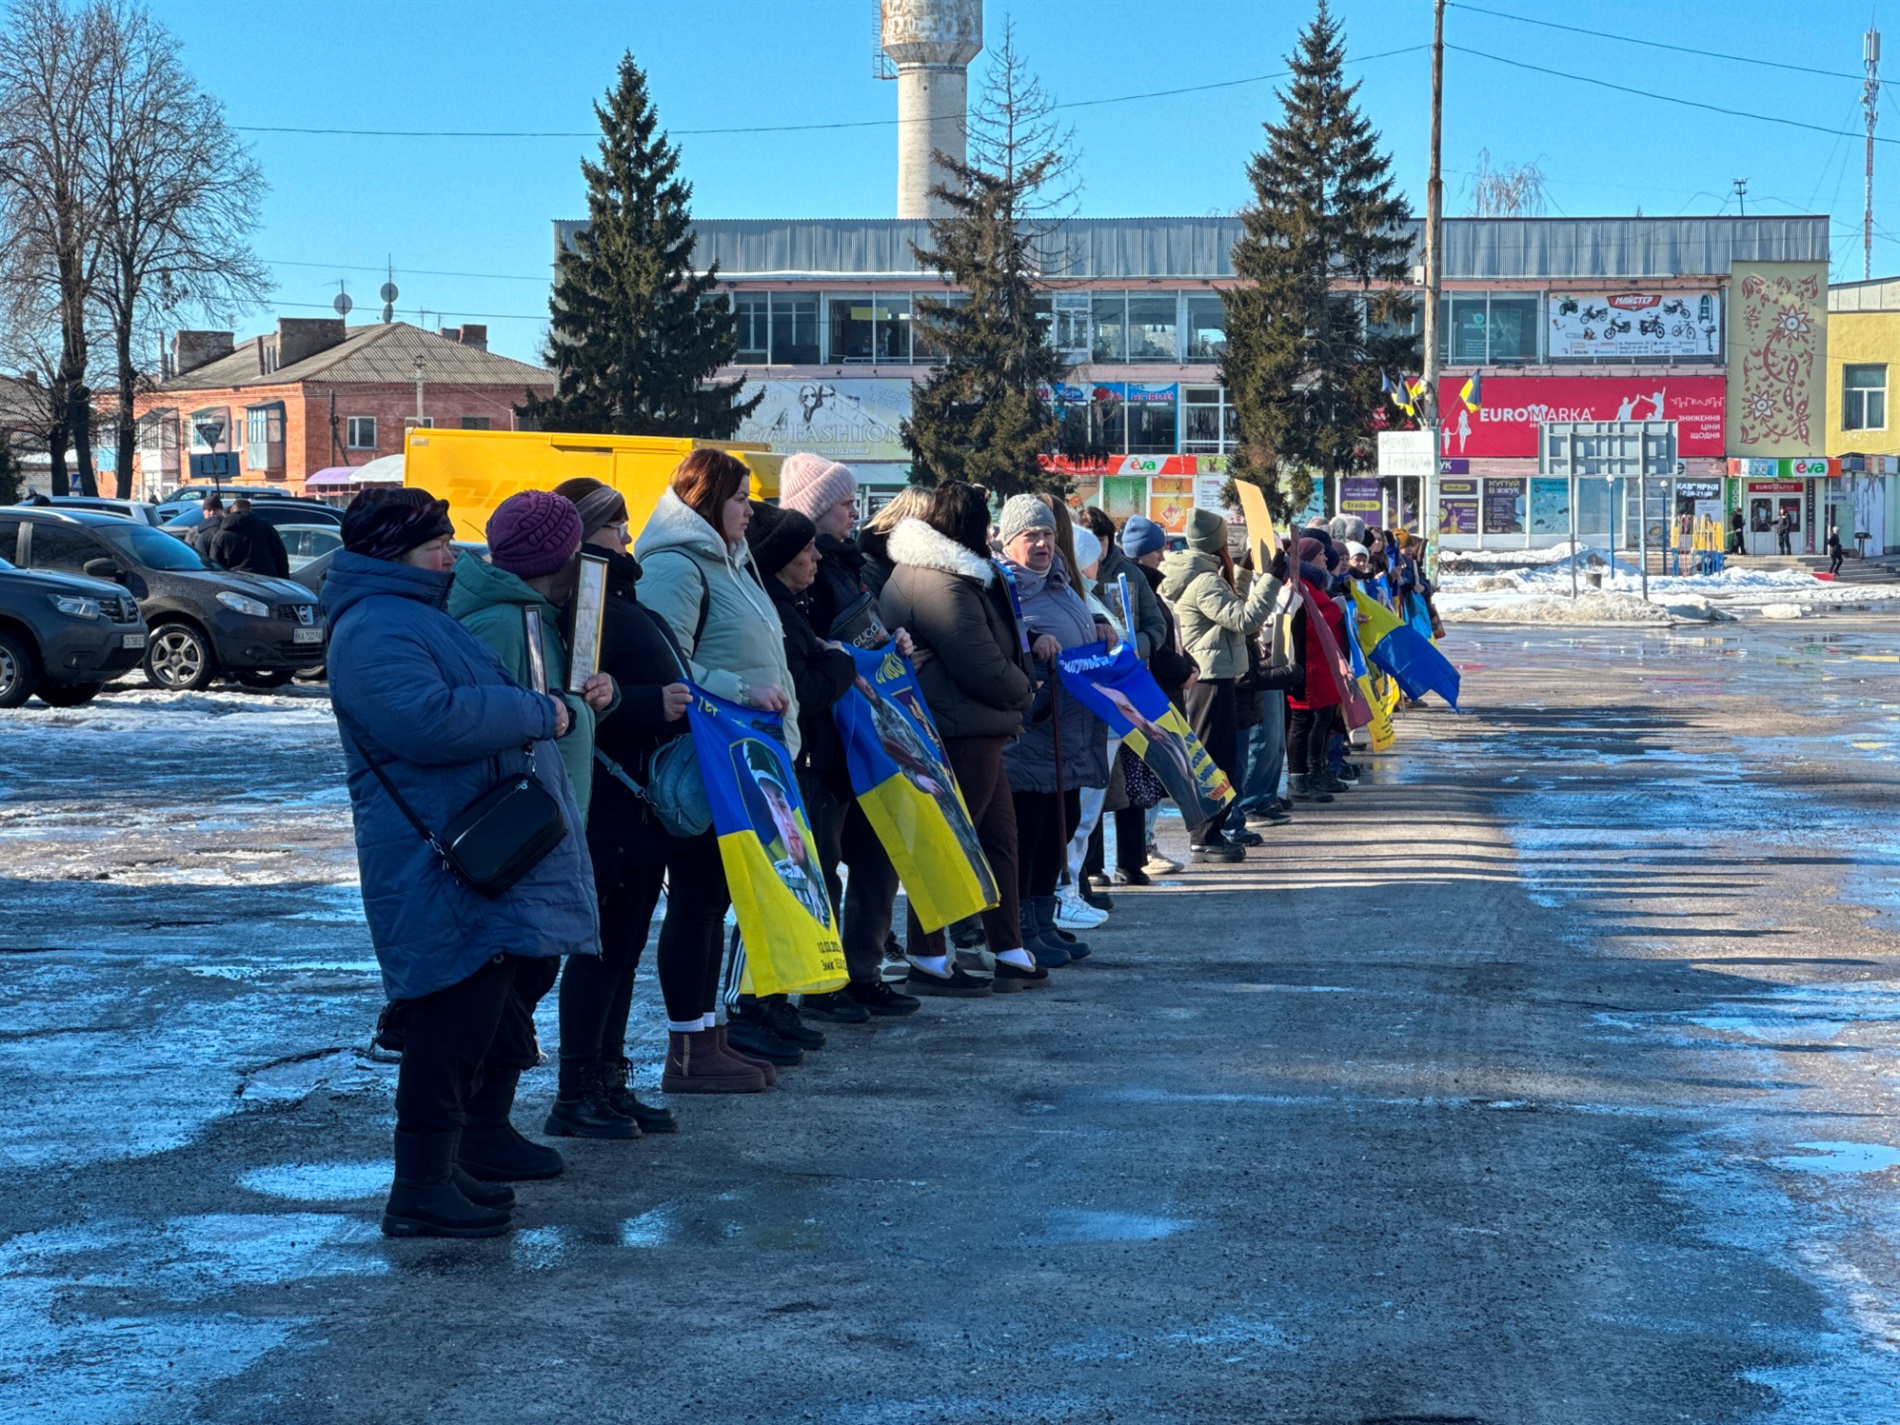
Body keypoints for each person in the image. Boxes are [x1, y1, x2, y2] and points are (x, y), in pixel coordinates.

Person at [322, 487, 599, 1239]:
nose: (451, 553)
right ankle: (418, 1187)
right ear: (391, 553)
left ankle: (444, 1169)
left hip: (461, 845)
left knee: (472, 1010)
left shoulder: (408, 613)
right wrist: (542, 712)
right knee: (447, 1019)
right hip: (432, 852)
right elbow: (425, 721)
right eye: (434, 544)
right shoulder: (375, 625)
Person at [634, 450, 795, 1091]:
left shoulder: (729, 559)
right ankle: (689, 1050)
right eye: (739, 497)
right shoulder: (675, 566)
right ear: (705, 501)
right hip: (705, 757)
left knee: (717, 901)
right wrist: (736, 688)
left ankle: (712, 1035)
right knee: (699, 903)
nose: (750, 509)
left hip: (742, 754)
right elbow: (661, 657)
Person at [544, 476, 687, 1136]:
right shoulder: (589, 594)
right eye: (614, 524)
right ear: (582, 530)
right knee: (602, 954)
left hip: (640, 799)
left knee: (624, 949)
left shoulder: (613, 588)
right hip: (611, 803)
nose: (626, 535)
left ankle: (610, 1083)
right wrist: (646, 704)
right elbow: (581, 697)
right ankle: (576, 1094)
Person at [879, 481, 1045, 993]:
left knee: (998, 840)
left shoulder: (955, 575)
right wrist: (1026, 690)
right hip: (958, 728)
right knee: (947, 841)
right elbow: (981, 664)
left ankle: (1008, 946)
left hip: (977, 726)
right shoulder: (940, 582)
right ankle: (928, 956)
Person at [777, 456, 920, 1023]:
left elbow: (866, 630)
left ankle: (864, 970)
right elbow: (810, 649)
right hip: (826, 739)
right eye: (841, 503)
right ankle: (823, 980)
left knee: (878, 853)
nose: (853, 511)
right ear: (813, 509)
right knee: (826, 857)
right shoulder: (797, 568)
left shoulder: (852, 563)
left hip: (868, 733)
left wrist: (893, 642)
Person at [725, 500, 863, 1063]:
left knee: (802, 883)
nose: (814, 558)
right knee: (779, 885)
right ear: (782, 558)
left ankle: (776, 998)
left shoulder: (791, 605)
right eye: (805, 550)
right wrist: (843, 663)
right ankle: (749, 1003)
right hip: (783, 764)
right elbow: (803, 688)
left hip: (800, 760)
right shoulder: (778, 613)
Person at [997, 494, 1109, 966]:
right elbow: (997, 638)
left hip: (1070, 733)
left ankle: (1044, 921)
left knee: (1057, 832)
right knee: (1031, 832)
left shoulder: (1061, 581)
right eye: (1030, 536)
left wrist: (1101, 625)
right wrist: (1030, 642)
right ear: (1009, 541)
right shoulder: (1002, 585)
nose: (1042, 543)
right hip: (1033, 734)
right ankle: (1022, 928)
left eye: (1046, 533)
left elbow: (1085, 613)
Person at [1156, 508, 1280, 862]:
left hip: (1212, 674)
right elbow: (1244, 618)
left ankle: (1210, 832)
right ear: (1217, 543)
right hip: (1209, 678)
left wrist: (1242, 571)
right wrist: (1270, 580)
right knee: (1214, 759)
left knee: (1219, 757)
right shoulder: (1205, 581)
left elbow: (1231, 608)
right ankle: (1205, 834)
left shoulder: (1201, 574)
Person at [1118, 515, 1199, 882]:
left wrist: (1187, 663)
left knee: (1150, 776)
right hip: (1150, 692)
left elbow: (1168, 639)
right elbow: (1153, 643)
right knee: (1149, 775)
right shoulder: (1137, 587)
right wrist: (1182, 670)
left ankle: (1142, 849)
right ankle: (1142, 850)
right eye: (1158, 549)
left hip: (1156, 689)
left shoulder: (1145, 585)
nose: (1162, 556)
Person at [209, 497, 289, 577]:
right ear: (249, 510)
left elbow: (215, 563)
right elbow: (280, 555)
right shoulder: (265, 527)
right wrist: (284, 579)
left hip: (236, 580)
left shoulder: (221, 534)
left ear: (231, 510)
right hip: (265, 579)